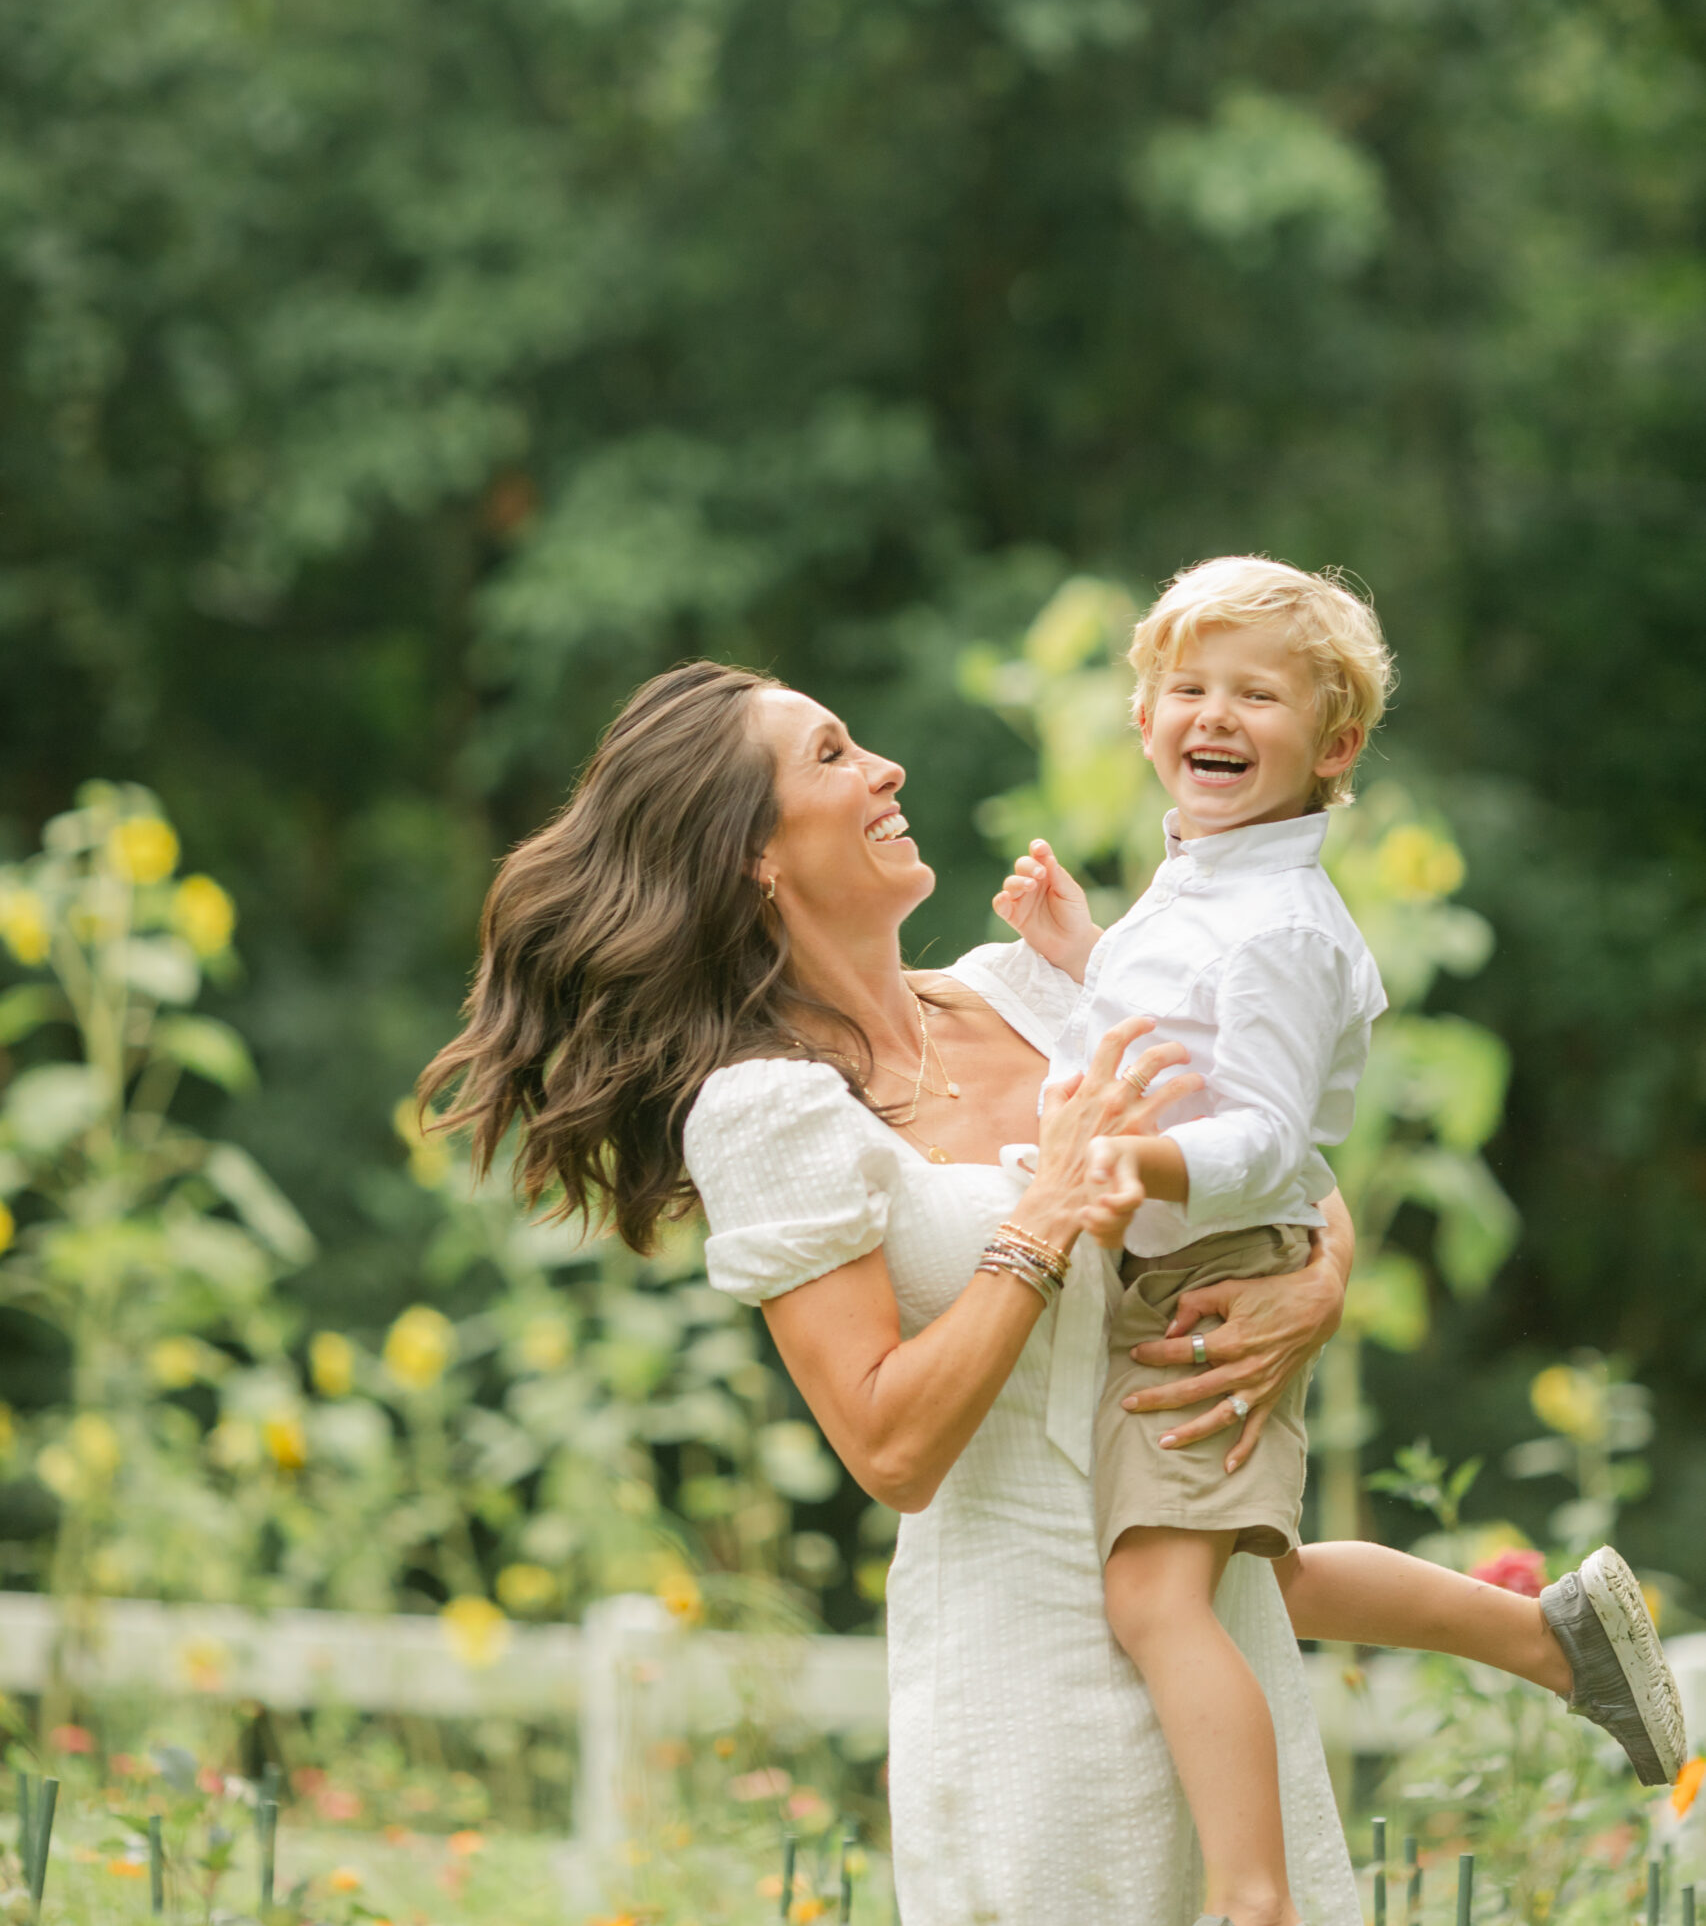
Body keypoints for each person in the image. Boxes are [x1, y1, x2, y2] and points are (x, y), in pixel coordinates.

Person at [417, 660, 1659, 1926]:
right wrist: (1045, 1216)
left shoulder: (1030, 991)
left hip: (1210, 1616)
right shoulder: (768, 1108)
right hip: (1027, 1676)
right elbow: (888, 1445)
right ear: (755, 858)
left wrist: (1319, 1284)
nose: (885, 767)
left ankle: (1548, 1646)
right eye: (834, 755)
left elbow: (1270, 1156)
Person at [995, 557, 1684, 1926]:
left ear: (1334, 744)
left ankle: (1251, 1900)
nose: (1215, 713)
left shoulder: (1278, 930)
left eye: (1257, 693)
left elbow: (1256, 1138)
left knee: (1153, 1598)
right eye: (1186, 687)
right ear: (1143, 723)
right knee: (1257, 1577)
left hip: (1206, 1281)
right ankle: (1544, 1637)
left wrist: (1125, 1162)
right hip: (1182, 1265)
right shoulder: (1195, 895)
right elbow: (1152, 1057)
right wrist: (1087, 966)